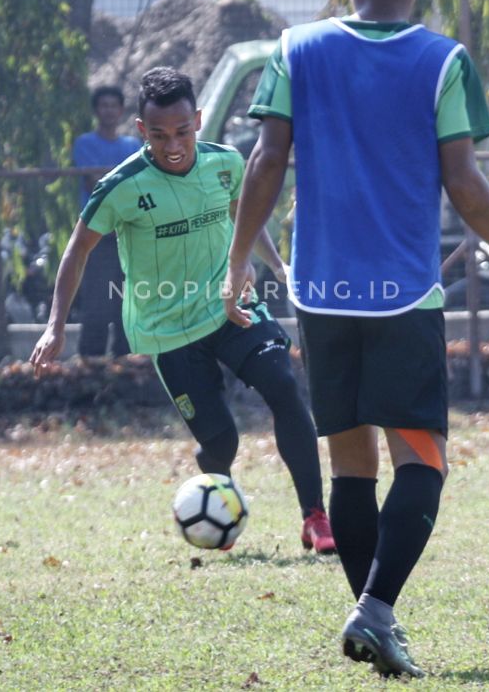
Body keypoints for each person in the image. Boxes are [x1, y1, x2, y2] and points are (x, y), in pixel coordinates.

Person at [222, 0, 489, 678]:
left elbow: (264, 163)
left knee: (352, 467)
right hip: (402, 295)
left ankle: (372, 617)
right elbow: (462, 179)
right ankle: (376, 608)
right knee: (422, 459)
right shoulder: (443, 60)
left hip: (322, 292)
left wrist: (239, 263)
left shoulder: (297, 49)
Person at [32, 67, 336, 555]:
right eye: (158, 135)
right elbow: (76, 250)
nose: (172, 144)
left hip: (231, 306)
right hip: (168, 328)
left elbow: (246, 216)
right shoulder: (122, 185)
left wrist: (277, 266)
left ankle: (316, 518)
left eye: (181, 131)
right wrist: (55, 326)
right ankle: (212, 489)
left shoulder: (226, 163)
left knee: (282, 386)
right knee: (223, 442)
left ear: (197, 120)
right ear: (140, 131)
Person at [70, 86, 142, 358]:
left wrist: (115, 180)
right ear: (96, 110)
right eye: (104, 105)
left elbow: (136, 184)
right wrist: (120, 180)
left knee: (128, 301)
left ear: (121, 110)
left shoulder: (132, 146)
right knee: (97, 303)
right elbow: (95, 183)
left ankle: (127, 359)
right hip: (98, 234)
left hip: (129, 234)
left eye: (114, 105)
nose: (109, 110)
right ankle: (92, 360)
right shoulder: (84, 144)